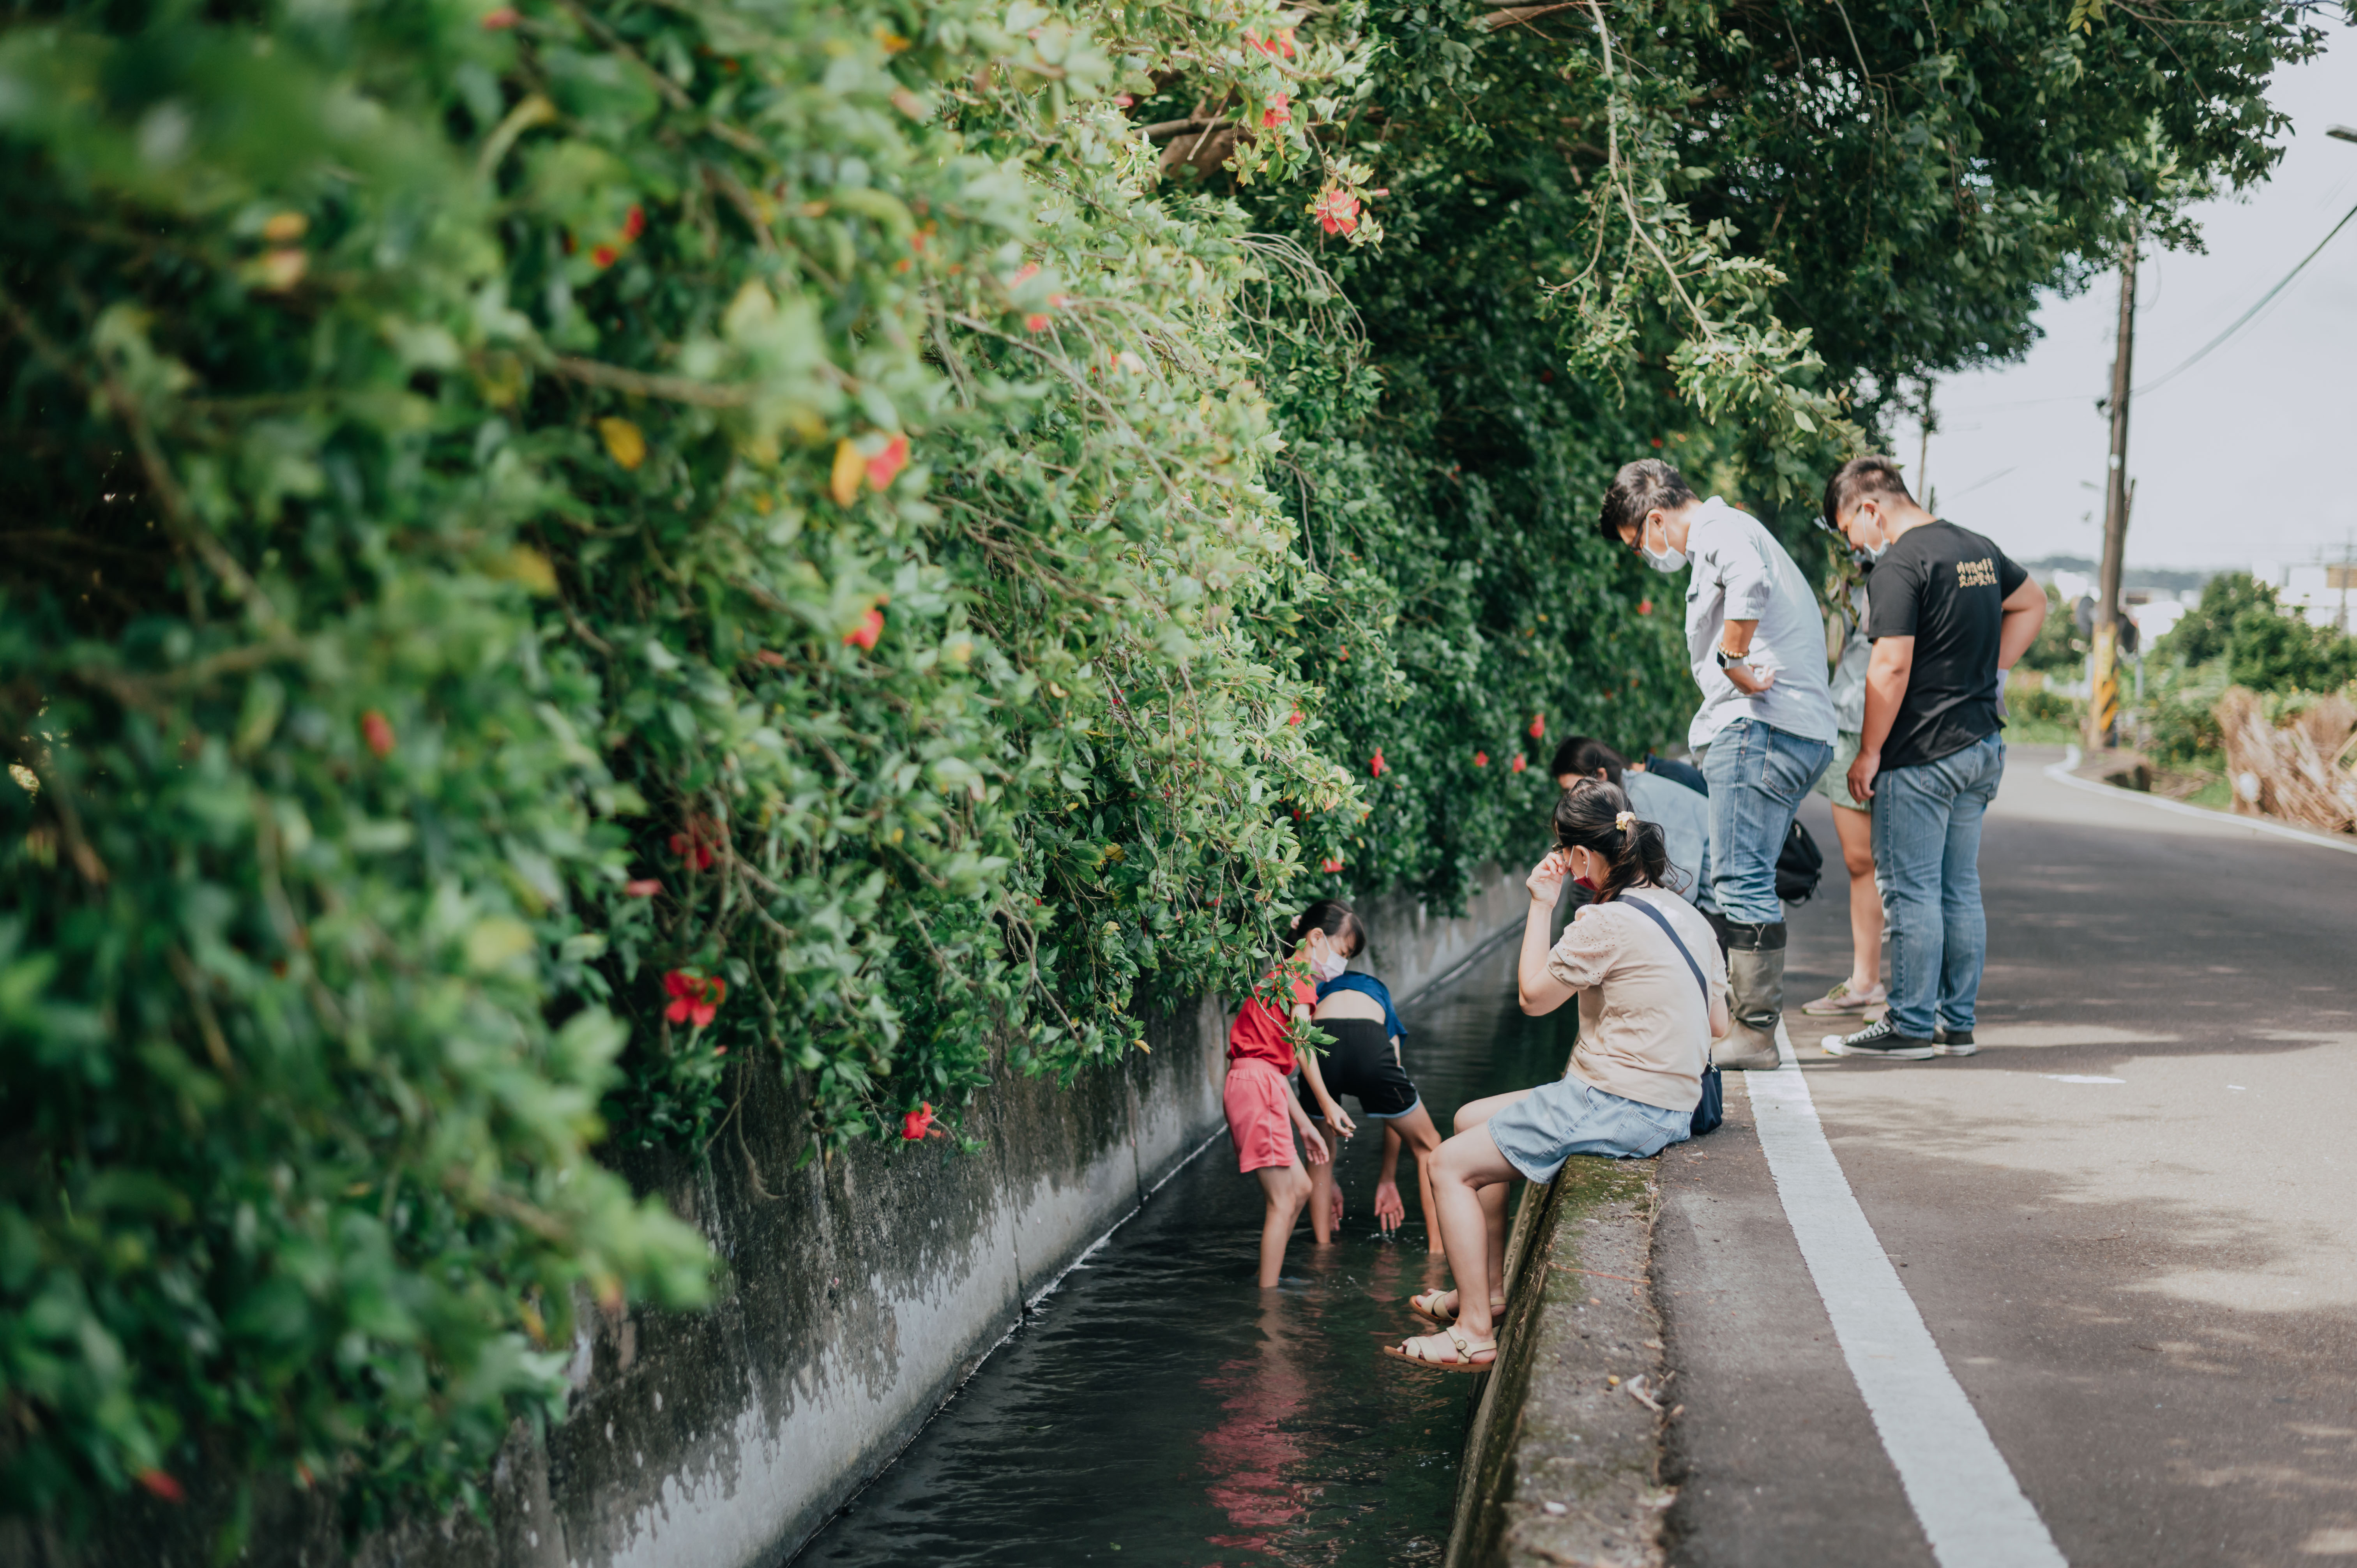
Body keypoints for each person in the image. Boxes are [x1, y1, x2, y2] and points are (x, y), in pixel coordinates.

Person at [1385, 781, 1728, 1370]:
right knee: (1469, 1119)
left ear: (1583, 858)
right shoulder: (1687, 914)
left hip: (1623, 1103)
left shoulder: (1603, 923)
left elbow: (1532, 998)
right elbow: (1718, 1025)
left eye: (1566, 854)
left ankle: (1472, 1333)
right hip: (1669, 1102)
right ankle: (1486, 1293)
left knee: (1446, 1164)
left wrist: (1542, 904)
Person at [1600, 460, 1837, 1070]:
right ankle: (1745, 1026)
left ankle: (1753, 1037)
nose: (1645, 554)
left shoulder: (1717, 531)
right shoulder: (1733, 529)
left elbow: (1748, 580)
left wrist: (1733, 658)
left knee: (1741, 880)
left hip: (1759, 729)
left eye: (1637, 544)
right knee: (1748, 874)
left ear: (1654, 519)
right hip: (1795, 729)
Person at [1818, 457, 2046, 1060]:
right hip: (1980, 745)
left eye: (1848, 530)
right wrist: (1992, 670)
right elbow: (2033, 604)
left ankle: (1911, 1025)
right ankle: (1957, 1023)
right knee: (1959, 888)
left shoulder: (1899, 565)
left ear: (1870, 509)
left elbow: (1889, 666)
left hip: (1921, 753)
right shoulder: (1977, 548)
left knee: (1912, 891)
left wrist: (1868, 752)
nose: (1855, 544)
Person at [1224, 901, 1360, 1285]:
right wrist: (1327, 1104)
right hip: (1257, 1086)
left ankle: (1266, 1278)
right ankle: (1267, 1303)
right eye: (1342, 953)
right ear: (1316, 937)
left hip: (1259, 1083)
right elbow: (1303, 1046)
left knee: (1300, 1189)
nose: (1341, 964)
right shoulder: (1298, 981)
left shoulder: (1283, 976)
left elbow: (1275, 1066)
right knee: (1284, 1199)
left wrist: (1305, 1125)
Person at [1802, 559, 1888, 1018]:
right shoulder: (1848, 577)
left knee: (1910, 865)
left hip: (1898, 721)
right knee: (1860, 862)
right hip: (1848, 719)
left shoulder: (1914, 564)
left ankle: (1923, 995)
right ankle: (1866, 980)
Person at [1304, 968, 1444, 1243]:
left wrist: (1328, 1181)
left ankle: (1322, 1252)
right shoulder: (1379, 994)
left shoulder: (1314, 993)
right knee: (1428, 1146)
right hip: (1369, 1040)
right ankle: (1438, 1254)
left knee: (1320, 1153)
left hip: (1321, 1041)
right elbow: (1394, 1111)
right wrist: (1388, 1178)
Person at [1552, 735, 1711, 910]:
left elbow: (1682, 888)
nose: (1572, 799)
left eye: (1575, 789)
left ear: (1600, 776)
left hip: (1713, 907)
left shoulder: (1641, 798)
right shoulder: (1628, 797)